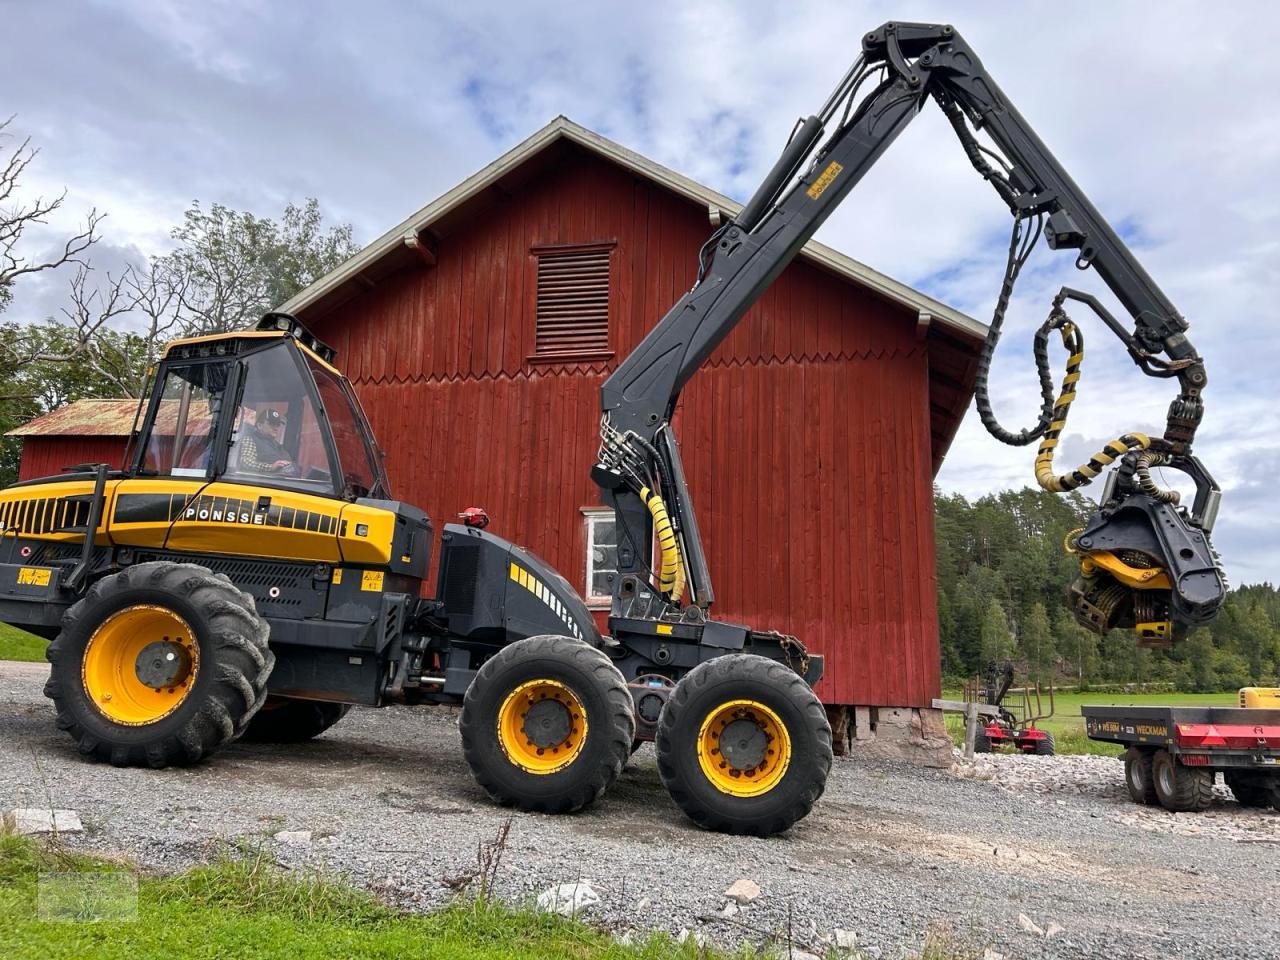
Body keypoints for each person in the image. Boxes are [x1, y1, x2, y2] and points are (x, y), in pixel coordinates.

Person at [236, 408, 298, 476]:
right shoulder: (250, 439)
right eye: (272, 424)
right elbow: (246, 462)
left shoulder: (277, 445)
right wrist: (270, 467)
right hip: (260, 483)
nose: (276, 428)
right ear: (260, 425)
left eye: (277, 424)